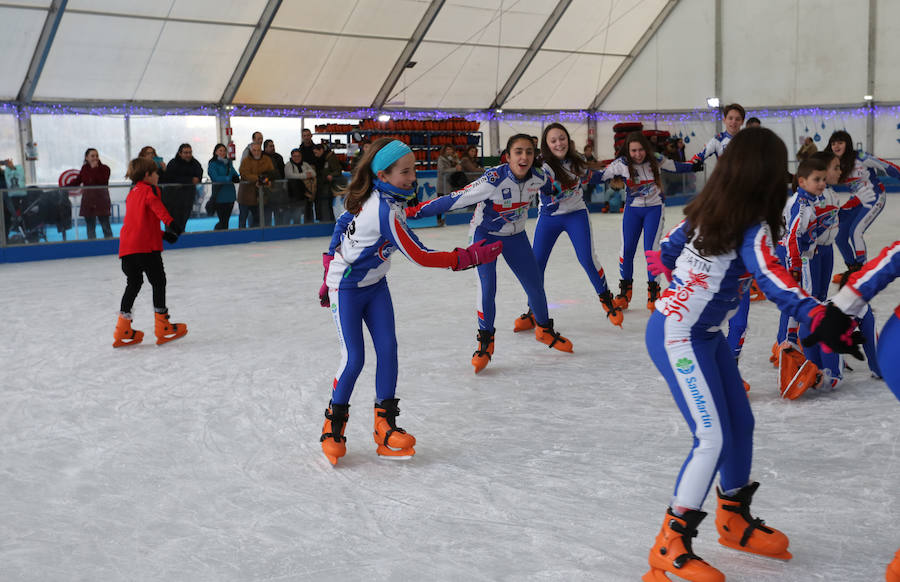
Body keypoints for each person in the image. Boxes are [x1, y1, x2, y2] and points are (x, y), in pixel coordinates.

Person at [641, 127, 863, 582]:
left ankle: (732, 518)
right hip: (678, 335)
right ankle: (670, 541)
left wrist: (682, 282)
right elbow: (772, 277)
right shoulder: (742, 224)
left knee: (740, 422)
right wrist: (818, 316)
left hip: (701, 333)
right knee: (712, 436)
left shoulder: (718, 211)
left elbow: (667, 249)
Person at [317, 138, 503, 465]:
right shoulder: (383, 208)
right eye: (406, 171)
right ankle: (333, 424)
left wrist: (330, 252)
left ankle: (384, 426)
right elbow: (418, 255)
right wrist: (469, 256)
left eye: (414, 168)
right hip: (345, 288)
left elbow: (345, 221)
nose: (413, 176)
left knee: (388, 350)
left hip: (375, 285)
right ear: (383, 174)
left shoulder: (389, 198)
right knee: (354, 358)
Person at [406, 134, 575, 373]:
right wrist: (412, 212)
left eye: (528, 151)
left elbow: (551, 187)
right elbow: (454, 200)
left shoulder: (538, 176)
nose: (524, 157)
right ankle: (485, 342)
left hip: (516, 238)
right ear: (507, 156)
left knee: (535, 285)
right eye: (518, 151)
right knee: (488, 288)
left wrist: (557, 195)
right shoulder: (493, 180)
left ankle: (544, 330)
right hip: (486, 237)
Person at [512, 123, 622, 329]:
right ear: (546, 144)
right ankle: (533, 310)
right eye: (553, 140)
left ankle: (607, 300)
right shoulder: (541, 167)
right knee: (536, 264)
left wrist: (615, 172)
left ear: (567, 140)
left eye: (561, 138)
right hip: (549, 218)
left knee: (587, 259)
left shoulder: (577, 162)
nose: (558, 143)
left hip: (576, 215)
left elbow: (593, 176)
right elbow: (527, 180)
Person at [599, 131, 696, 311]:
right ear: (628, 151)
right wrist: (576, 176)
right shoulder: (622, 164)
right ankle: (625, 292)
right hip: (632, 211)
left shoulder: (656, 159)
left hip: (654, 209)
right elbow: (600, 175)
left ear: (647, 149)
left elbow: (676, 166)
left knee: (651, 251)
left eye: (641, 149)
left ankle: (654, 293)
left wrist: (694, 166)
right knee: (626, 250)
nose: (638, 154)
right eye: (634, 150)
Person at [113, 157, 186, 348]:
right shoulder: (149, 190)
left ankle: (123, 328)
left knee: (134, 282)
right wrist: (173, 225)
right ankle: (163, 326)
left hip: (127, 248)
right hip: (146, 248)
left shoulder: (132, 193)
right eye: (155, 173)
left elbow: (141, 223)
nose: (157, 176)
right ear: (147, 175)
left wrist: (164, 235)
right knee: (159, 281)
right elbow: (157, 208)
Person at [825, 130, 900, 284]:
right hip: (856, 200)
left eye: (840, 142)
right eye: (833, 143)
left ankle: (862, 271)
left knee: (856, 231)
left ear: (848, 144)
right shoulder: (834, 162)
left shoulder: (860, 157)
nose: (836, 146)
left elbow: (886, 166)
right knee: (838, 233)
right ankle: (852, 269)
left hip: (874, 196)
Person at [72, 148, 113, 239]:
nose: (95, 158)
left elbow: (102, 181)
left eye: (97, 156)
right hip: (88, 202)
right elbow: (78, 181)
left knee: (105, 226)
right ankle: (92, 246)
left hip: (101, 201)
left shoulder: (105, 169)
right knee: (90, 228)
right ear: (86, 157)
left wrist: (94, 169)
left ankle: (110, 245)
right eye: (92, 156)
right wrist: (64, 187)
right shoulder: (84, 168)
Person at [161, 144, 203, 232]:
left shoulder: (195, 163)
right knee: (171, 224)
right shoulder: (173, 163)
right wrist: (190, 180)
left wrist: (196, 179)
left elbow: (199, 175)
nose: (188, 155)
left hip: (187, 199)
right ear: (180, 153)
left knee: (182, 223)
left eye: (190, 152)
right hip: (172, 200)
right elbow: (170, 178)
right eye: (185, 153)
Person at [237, 142, 275, 228]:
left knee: (258, 218)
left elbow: (272, 172)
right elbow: (244, 174)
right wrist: (259, 178)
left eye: (258, 150)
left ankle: (255, 235)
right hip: (245, 195)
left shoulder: (267, 160)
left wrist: (265, 180)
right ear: (251, 151)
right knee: (243, 217)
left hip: (260, 196)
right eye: (254, 150)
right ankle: (241, 235)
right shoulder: (246, 161)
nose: (256, 152)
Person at [206, 144, 240, 230]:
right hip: (219, 196)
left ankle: (223, 235)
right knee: (223, 220)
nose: (222, 152)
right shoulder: (212, 164)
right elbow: (215, 178)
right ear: (215, 152)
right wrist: (228, 178)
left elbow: (234, 174)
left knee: (226, 220)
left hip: (230, 195)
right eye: (220, 150)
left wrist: (235, 177)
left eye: (224, 151)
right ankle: (219, 234)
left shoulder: (229, 163)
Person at [284, 148, 316, 224]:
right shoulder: (288, 165)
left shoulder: (305, 164)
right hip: (293, 195)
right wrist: (305, 175)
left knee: (308, 211)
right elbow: (290, 175)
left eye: (298, 156)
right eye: (294, 156)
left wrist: (298, 175)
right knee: (296, 213)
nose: (297, 158)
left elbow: (313, 173)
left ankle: (308, 227)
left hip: (306, 192)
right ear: (291, 157)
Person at [263, 139, 287, 225]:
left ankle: (279, 230)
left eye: (273, 146)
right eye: (270, 146)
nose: (273, 148)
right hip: (266, 191)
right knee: (266, 214)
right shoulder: (262, 158)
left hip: (278, 190)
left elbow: (282, 173)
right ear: (265, 148)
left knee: (279, 213)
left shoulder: (278, 157)